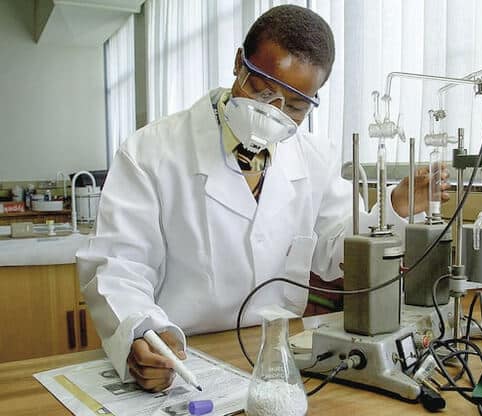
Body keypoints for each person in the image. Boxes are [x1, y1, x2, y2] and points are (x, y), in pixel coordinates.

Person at [77, 5, 449, 392]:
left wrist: (396, 206)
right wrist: (144, 334)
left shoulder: (314, 157)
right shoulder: (150, 151)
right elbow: (119, 266)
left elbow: (338, 251)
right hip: (184, 355)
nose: (274, 113)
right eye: (263, 90)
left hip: (281, 356)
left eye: (296, 106)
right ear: (240, 63)